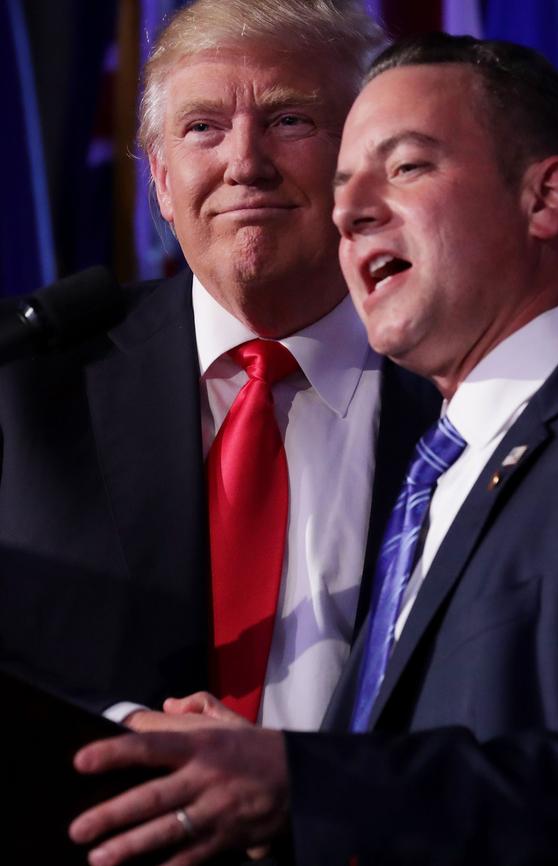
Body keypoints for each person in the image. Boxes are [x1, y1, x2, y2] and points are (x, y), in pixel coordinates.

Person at [69, 31, 558, 866]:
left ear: (545, 198)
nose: (348, 211)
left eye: (406, 167)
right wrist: (267, 775)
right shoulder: (445, 470)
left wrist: (302, 780)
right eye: (343, 185)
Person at [0, 0, 441, 737]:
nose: (245, 164)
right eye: (204, 127)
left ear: (365, 161)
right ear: (164, 184)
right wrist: (121, 736)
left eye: (288, 120)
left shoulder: (462, 394)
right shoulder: (28, 382)